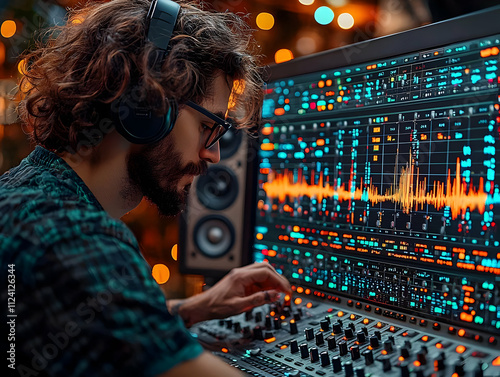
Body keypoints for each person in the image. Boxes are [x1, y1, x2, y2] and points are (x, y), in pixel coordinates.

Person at [0, 0, 291, 376]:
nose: (214, 153)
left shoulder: (27, 191)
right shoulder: (71, 239)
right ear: (146, 109)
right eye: (208, 126)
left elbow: (78, 320)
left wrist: (191, 309)